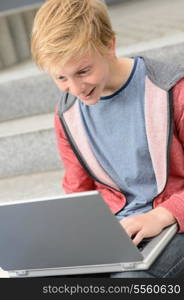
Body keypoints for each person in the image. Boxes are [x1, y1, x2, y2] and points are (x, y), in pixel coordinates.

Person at [31, 0, 184, 278]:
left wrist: (161, 215)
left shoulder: (172, 90)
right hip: (118, 232)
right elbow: (79, 193)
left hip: (173, 224)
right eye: (61, 77)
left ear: (109, 45)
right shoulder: (67, 114)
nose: (76, 88)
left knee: (125, 281)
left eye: (83, 71)